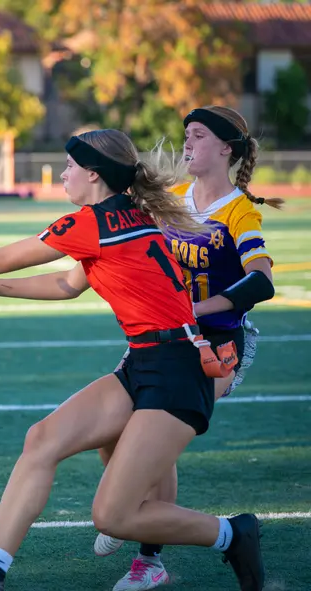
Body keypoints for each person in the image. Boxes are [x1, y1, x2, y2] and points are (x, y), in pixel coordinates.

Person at [0, 129, 265, 591]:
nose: (62, 175)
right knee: (41, 439)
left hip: (178, 369)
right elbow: (67, 284)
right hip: (145, 360)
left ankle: (232, 533)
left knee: (113, 516)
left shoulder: (94, 221)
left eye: (70, 167)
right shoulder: (127, 213)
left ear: (94, 174)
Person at [95, 105, 279, 591]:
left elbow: (261, 281)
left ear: (226, 149)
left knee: (154, 436)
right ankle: (130, 509)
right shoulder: (173, 200)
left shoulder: (239, 211)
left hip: (216, 348)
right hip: (165, 338)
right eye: (186, 135)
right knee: (110, 429)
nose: (187, 144)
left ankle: (148, 558)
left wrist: (197, 309)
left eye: (198, 135)